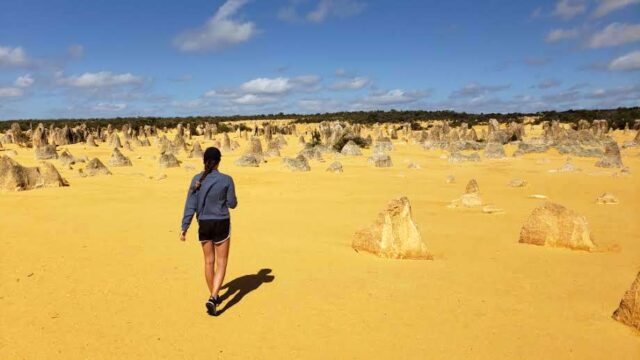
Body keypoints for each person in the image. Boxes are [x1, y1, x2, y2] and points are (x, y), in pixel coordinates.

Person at [180, 147, 237, 316]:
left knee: (208, 262)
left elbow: (190, 205)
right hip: (221, 223)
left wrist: (184, 227)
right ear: (219, 161)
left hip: (203, 223)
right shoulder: (227, 179)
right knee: (222, 262)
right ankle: (213, 297)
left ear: (204, 161)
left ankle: (214, 294)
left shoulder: (196, 179)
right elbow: (232, 203)